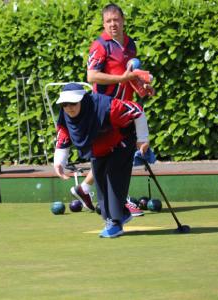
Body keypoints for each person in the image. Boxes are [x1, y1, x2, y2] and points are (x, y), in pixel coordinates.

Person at [70, 3, 154, 216]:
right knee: (114, 156)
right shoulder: (99, 46)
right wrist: (122, 78)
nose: (113, 24)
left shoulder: (130, 44)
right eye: (108, 21)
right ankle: (118, 205)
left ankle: (89, 190)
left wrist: (142, 87)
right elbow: (92, 76)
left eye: (116, 20)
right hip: (104, 110)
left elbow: (130, 76)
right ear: (103, 23)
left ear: (123, 21)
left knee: (116, 155)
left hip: (124, 110)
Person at [53, 83, 150, 238]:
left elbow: (137, 110)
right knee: (100, 181)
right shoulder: (66, 116)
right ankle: (121, 214)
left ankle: (115, 223)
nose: (69, 107)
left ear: (83, 100)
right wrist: (60, 161)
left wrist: (142, 139)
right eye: (65, 104)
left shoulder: (108, 107)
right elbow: (63, 134)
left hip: (121, 142)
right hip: (99, 149)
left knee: (113, 177)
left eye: (73, 103)